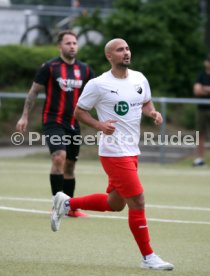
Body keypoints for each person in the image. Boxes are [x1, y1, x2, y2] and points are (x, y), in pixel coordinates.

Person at [50, 38, 174, 270]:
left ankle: (66, 204)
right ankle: (148, 257)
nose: (126, 53)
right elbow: (79, 112)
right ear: (109, 56)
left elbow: (146, 102)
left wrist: (153, 113)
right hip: (113, 152)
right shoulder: (98, 84)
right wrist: (99, 125)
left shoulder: (139, 78)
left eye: (127, 48)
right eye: (120, 50)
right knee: (137, 200)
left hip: (132, 150)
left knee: (115, 203)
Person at [16, 30, 94, 217]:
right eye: (68, 43)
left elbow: (97, 93)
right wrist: (24, 116)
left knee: (70, 166)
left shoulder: (85, 70)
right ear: (60, 46)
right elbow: (33, 92)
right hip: (53, 121)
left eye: (75, 43)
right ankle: (56, 205)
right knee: (59, 157)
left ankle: (70, 207)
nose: (72, 46)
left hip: (74, 123)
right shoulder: (50, 67)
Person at [193, 54, 210, 167]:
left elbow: (201, 89)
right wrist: (207, 89)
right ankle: (200, 159)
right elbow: (196, 90)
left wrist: (203, 89)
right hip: (202, 110)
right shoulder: (201, 76)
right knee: (200, 134)